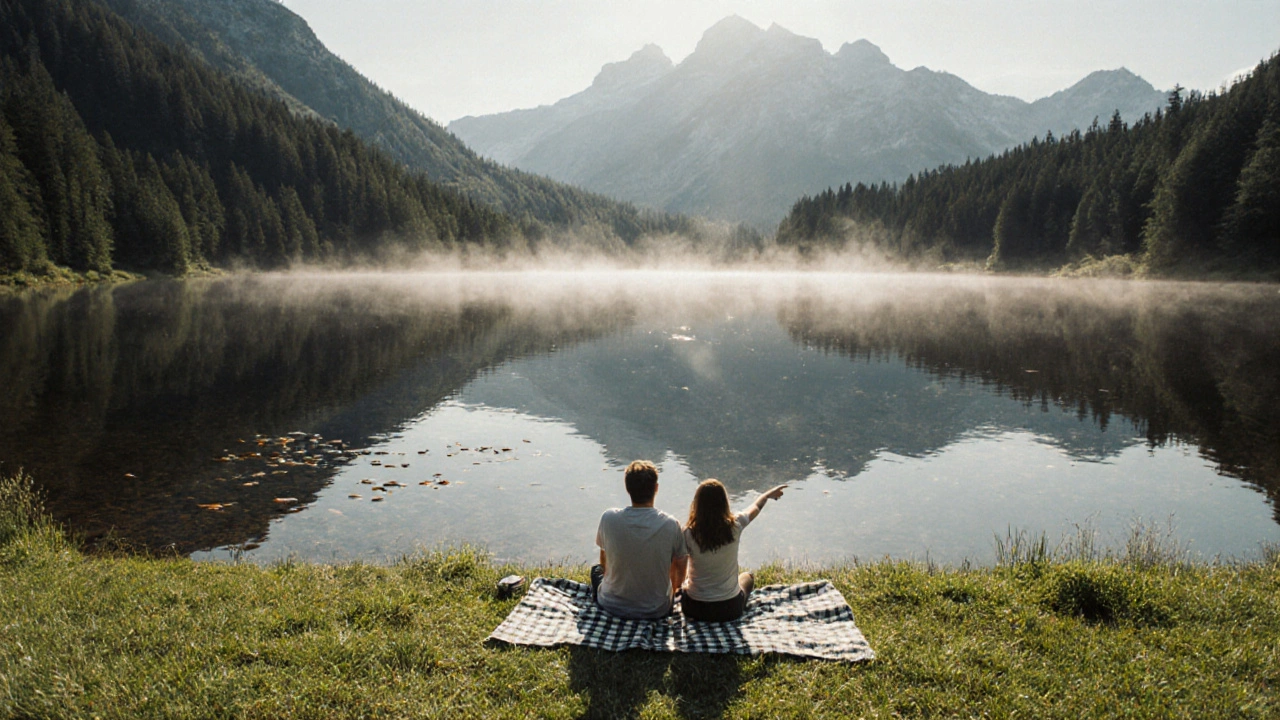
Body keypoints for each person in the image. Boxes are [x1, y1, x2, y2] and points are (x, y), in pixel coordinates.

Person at [592, 460, 689, 619]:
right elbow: (681, 566)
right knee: (671, 555)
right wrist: (673, 592)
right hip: (656, 610)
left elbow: (604, 562)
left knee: (596, 571)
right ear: (656, 488)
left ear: (627, 488)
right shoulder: (671, 525)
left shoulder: (608, 518)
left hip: (611, 605)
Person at [679, 479, 786, 622]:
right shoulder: (736, 525)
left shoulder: (688, 533)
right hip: (729, 609)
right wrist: (767, 494)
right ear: (724, 503)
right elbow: (756, 506)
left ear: (697, 505)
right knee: (748, 577)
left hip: (695, 609)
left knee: (688, 582)